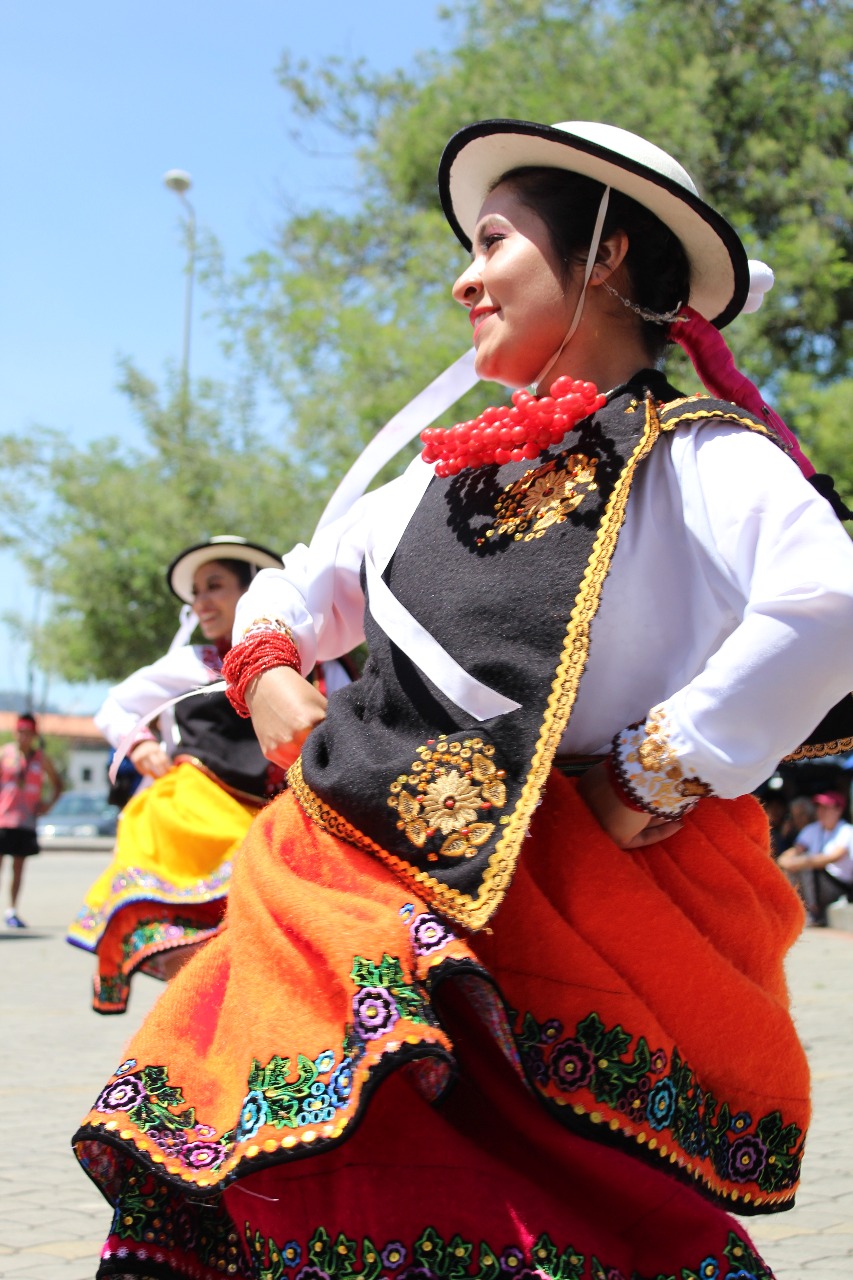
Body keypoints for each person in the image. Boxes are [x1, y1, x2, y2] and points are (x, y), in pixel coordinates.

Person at [72, 119, 853, 1280]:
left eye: (492, 242)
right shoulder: (433, 481)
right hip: (371, 887)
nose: (464, 278)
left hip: (583, 906)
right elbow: (299, 584)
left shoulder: (701, 457)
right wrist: (270, 670)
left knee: (561, 1208)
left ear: (603, 252)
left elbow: (829, 605)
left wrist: (659, 764)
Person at [67, 535, 353, 1014]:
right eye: (196, 592)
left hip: (284, 817)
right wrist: (141, 746)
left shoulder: (318, 667)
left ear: (254, 591)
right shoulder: (195, 663)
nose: (201, 601)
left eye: (214, 586)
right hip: (199, 816)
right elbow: (116, 706)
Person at [0, 712, 63, 928]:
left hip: (25, 821)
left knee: (18, 867)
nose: (23, 736)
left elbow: (58, 784)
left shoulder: (40, 759)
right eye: (20, 732)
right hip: (3, 819)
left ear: (34, 735)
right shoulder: (5, 754)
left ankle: (12, 910)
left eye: (27, 732)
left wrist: (47, 805)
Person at [778, 790, 853, 925]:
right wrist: (784, 860)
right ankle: (793, 910)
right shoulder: (812, 829)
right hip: (816, 883)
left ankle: (813, 914)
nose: (821, 811)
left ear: (838, 810)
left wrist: (801, 862)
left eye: (826, 808)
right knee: (794, 867)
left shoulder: (846, 830)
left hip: (838, 886)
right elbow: (796, 850)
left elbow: (833, 857)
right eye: (819, 807)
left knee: (806, 867)